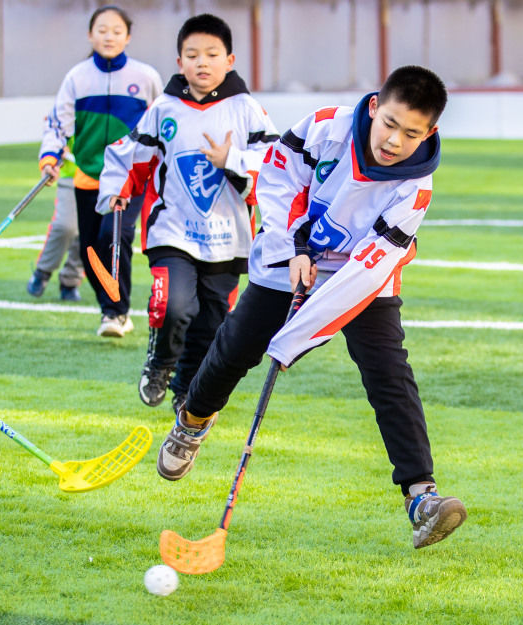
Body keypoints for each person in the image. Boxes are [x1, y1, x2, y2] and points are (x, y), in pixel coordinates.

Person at [157, 65, 467, 549]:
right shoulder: (324, 127)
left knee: (388, 372)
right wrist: (290, 249)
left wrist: (296, 338)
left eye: (411, 133)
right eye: (389, 123)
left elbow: (366, 270)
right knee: (237, 346)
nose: (393, 141)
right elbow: (277, 183)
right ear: (373, 108)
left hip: (359, 277)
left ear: (430, 133)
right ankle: (192, 420)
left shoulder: (415, 188)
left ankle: (421, 496)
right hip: (289, 254)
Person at [98, 14, 279, 413]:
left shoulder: (247, 110)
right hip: (172, 231)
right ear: (179, 62)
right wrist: (117, 190)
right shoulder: (164, 108)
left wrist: (230, 158)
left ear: (229, 60)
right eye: (192, 54)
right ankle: (160, 363)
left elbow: (277, 165)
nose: (202, 62)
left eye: (212, 54)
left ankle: (186, 384)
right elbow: (132, 154)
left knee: (212, 322)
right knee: (173, 305)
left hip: (228, 238)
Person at [39, 5, 162, 337]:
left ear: (128, 37)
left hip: (129, 179)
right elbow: (57, 123)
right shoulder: (77, 78)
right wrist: (50, 157)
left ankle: (115, 312)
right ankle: (112, 306)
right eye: (102, 30)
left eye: (117, 31)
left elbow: (164, 122)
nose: (109, 36)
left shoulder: (145, 77)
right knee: (89, 249)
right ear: (91, 35)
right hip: (87, 176)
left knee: (114, 235)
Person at [25, 141, 82, 302]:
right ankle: (43, 270)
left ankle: (70, 281)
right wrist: (53, 154)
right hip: (71, 175)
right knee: (65, 226)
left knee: (90, 233)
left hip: (102, 177)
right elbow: (56, 130)